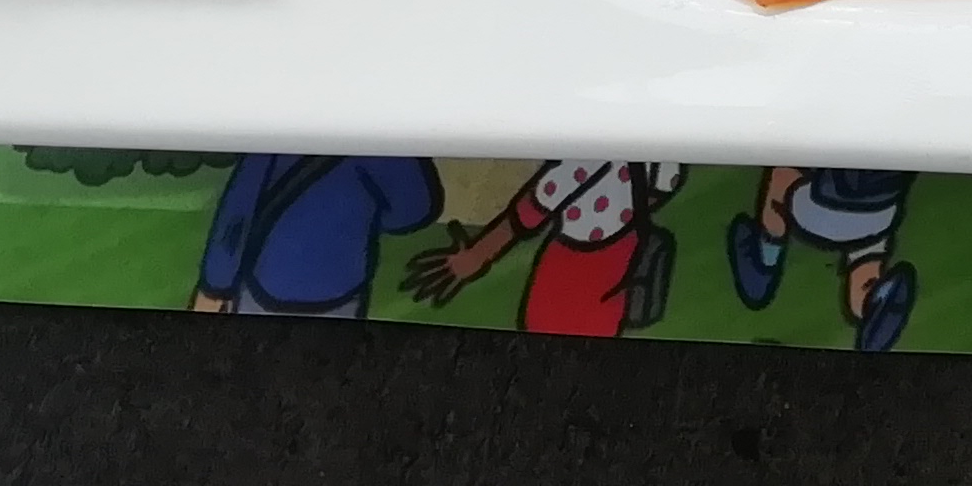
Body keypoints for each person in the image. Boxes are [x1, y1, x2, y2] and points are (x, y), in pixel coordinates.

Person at [402, 158, 684, 335]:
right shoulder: (658, 157)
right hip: (621, 251)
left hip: (571, 267)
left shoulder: (588, 159)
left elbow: (532, 209)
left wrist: (478, 255)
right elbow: (665, 184)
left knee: (547, 326)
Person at [187, 153, 441, 318]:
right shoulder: (382, 143)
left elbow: (238, 214)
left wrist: (215, 287)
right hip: (339, 286)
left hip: (266, 283)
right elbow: (414, 209)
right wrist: (363, 219)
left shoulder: (275, 132)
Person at [727, 164, 917, 350]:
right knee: (867, 263)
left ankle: (765, 259)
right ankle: (874, 300)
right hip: (882, 216)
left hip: (822, 211)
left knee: (781, 177)